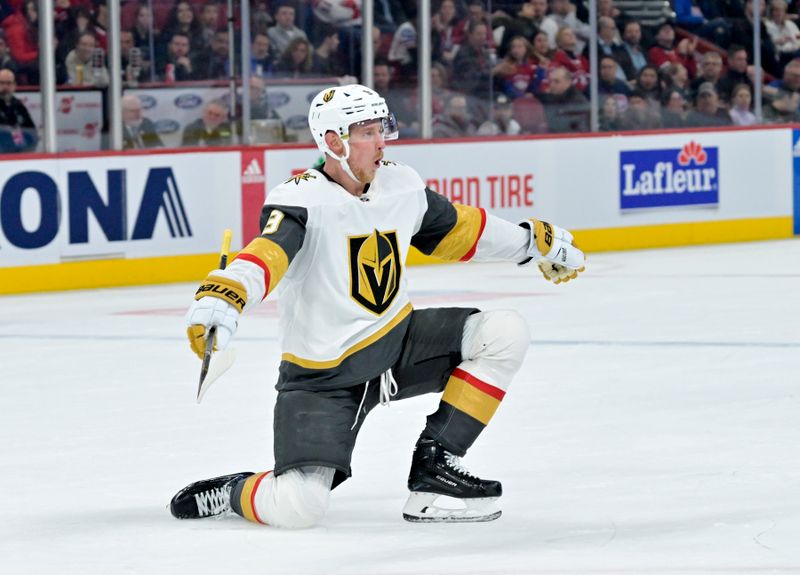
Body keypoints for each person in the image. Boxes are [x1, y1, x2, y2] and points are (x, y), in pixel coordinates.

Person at [169, 84, 585, 528]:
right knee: (298, 507)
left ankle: (435, 468)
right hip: (323, 377)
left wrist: (531, 242)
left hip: (398, 343)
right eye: (367, 132)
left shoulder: (400, 184)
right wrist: (226, 294)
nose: (382, 141)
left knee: (504, 331)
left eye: (382, 128)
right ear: (333, 142)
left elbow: (462, 231)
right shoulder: (300, 199)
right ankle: (235, 491)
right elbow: (266, 254)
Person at [0, 68, 37, 153]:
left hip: (17, 153)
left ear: (14, 85)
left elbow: (31, 130)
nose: (5, 87)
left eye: (9, 83)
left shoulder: (18, 105)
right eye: (1, 83)